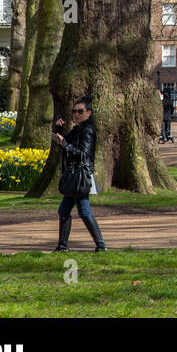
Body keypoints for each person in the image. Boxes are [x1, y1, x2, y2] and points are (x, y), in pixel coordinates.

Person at [52, 96, 106, 252]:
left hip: (80, 175)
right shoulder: (78, 129)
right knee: (64, 210)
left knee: (83, 210)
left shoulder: (88, 130)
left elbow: (83, 154)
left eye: (80, 111)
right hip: (74, 175)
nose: (76, 114)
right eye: (74, 111)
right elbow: (67, 140)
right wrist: (59, 131)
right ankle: (62, 246)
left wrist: (66, 145)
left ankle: (101, 245)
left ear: (88, 113)